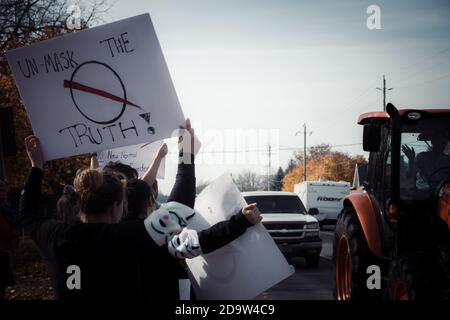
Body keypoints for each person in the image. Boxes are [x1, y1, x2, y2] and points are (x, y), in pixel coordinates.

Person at [19, 120, 261, 300]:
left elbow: (27, 214)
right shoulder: (129, 237)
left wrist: (36, 166)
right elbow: (178, 211)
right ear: (118, 205)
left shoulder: (54, 236)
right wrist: (186, 154)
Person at [0, 180, 19, 300]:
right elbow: (5, 230)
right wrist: (14, 234)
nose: (4, 192)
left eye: (4, 189)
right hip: (1, 247)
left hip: (6, 247)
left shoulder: (6, 206)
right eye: (1, 190)